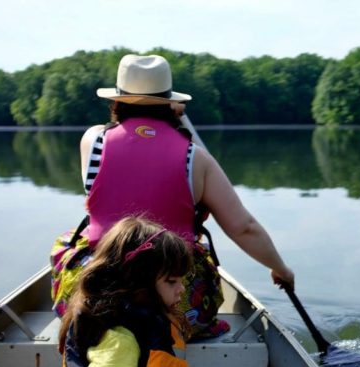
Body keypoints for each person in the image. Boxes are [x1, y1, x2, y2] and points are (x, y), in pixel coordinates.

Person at [51, 53, 294, 338]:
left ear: (115, 101)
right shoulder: (196, 158)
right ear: (171, 104)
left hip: (97, 292)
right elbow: (243, 227)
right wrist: (280, 269)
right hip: (177, 299)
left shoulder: (93, 140)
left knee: (68, 242)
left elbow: (132, 152)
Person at [58, 216, 200, 367]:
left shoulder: (142, 325)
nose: (181, 289)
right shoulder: (120, 344)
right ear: (137, 281)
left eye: (181, 280)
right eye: (172, 281)